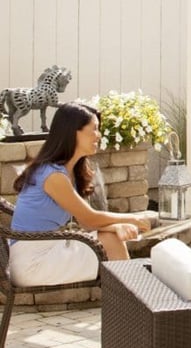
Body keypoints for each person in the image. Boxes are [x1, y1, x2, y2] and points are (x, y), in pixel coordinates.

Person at [9, 102, 151, 287]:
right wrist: (134, 219)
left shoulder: (68, 172)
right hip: (33, 261)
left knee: (110, 239)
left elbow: (85, 222)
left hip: (48, 249)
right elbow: (90, 220)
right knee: (112, 243)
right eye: (94, 129)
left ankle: (129, 304)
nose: (98, 136)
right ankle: (134, 302)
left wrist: (114, 227)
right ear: (73, 132)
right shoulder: (53, 176)